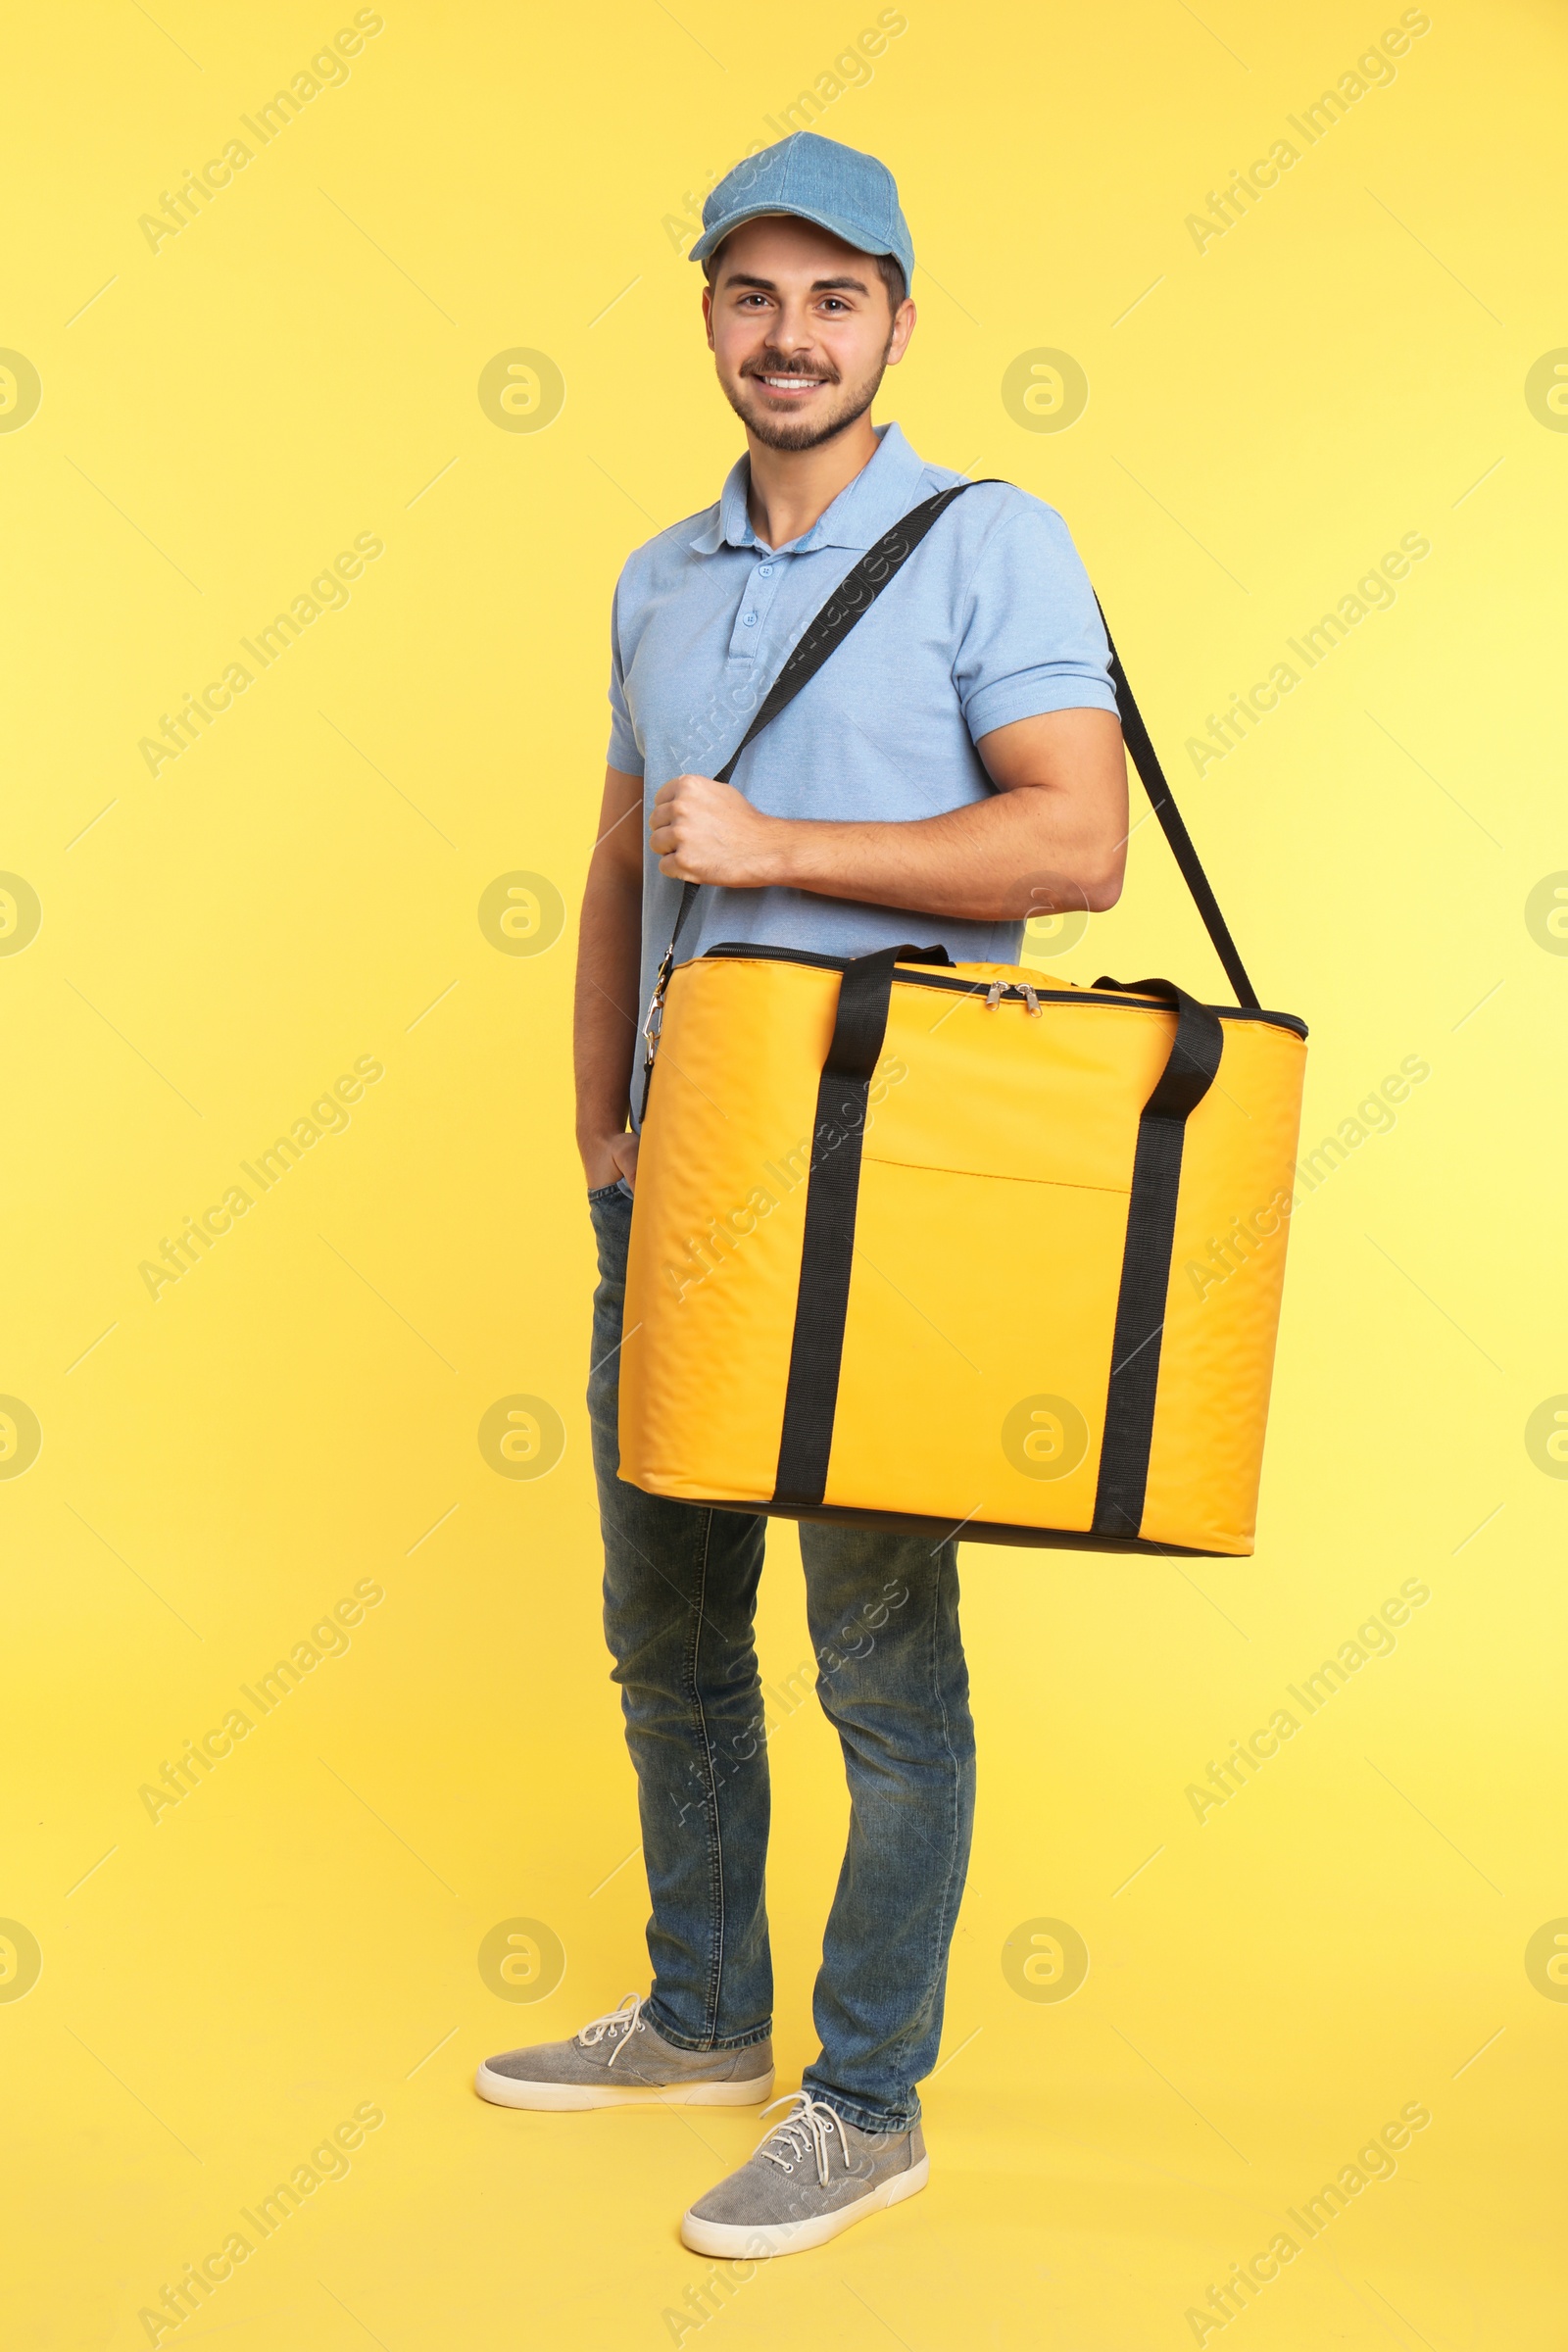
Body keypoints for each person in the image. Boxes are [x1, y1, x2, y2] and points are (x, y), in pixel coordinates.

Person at [477, 130, 1129, 2257]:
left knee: (874, 1659)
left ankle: (863, 2095)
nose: (790, 336)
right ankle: (699, 2013)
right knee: (663, 1633)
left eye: (831, 298)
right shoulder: (655, 578)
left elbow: (1068, 847)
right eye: (752, 297)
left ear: (896, 322)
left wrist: (782, 855)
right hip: (674, 1189)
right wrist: (597, 1124)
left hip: (888, 1198)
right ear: (706, 321)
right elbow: (617, 864)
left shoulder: (986, 546)